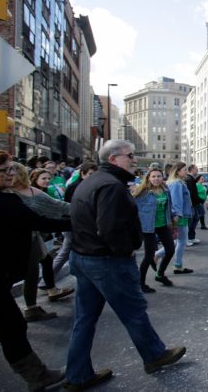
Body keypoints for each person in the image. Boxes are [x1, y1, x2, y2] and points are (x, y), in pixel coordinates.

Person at [66, 140, 186, 390]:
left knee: (85, 319)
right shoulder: (110, 186)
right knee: (133, 311)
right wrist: (127, 250)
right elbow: (109, 228)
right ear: (113, 159)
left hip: (85, 257)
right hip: (106, 261)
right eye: (130, 156)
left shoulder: (91, 182)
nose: (134, 159)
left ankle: (78, 375)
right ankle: (154, 355)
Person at [0, 150, 70, 391]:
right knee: (12, 328)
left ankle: (38, 376)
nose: (12, 174)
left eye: (12, 168)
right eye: (5, 171)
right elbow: (40, 222)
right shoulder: (2, 201)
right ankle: (38, 376)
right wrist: (76, 223)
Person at [11, 164, 74, 322]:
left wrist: (84, 210)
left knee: (35, 269)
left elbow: (57, 206)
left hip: (31, 237)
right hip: (13, 241)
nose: (47, 180)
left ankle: (34, 305)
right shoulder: (4, 194)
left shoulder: (30, 192)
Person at [132, 168, 175, 293]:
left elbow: (169, 207)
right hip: (148, 227)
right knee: (149, 255)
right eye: (154, 176)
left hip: (163, 224)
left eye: (159, 176)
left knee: (170, 249)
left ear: (163, 178)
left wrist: (172, 218)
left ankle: (160, 274)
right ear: (149, 178)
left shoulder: (165, 190)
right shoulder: (143, 192)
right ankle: (141, 283)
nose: (156, 179)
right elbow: (132, 206)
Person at [53, 162, 97, 280]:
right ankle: (46, 280)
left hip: (80, 224)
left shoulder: (89, 186)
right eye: (90, 174)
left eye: (94, 175)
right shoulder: (76, 186)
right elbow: (71, 207)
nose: (92, 177)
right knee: (65, 252)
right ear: (82, 174)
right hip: (72, 224)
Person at [154, 162, 194, 274]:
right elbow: (176, 202)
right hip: (179, 216)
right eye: (184, 170)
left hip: (181, 215)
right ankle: (177, 265)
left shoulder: (179, 182)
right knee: (182, 241)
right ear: (178, 171)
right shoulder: (177, 184)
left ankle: (160, 256)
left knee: (180, 240)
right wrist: (177, 216)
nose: (186, 172)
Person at [185, 164, 202, 246]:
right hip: (191, 204)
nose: (197, 170)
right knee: (190, 221)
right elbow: (190, 193)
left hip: (194, 203)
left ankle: (191, 237)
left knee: (196, 218)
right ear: (192, 170)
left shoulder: (191, 179)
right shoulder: (189, 179)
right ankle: (186, 238)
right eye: (196, 169)